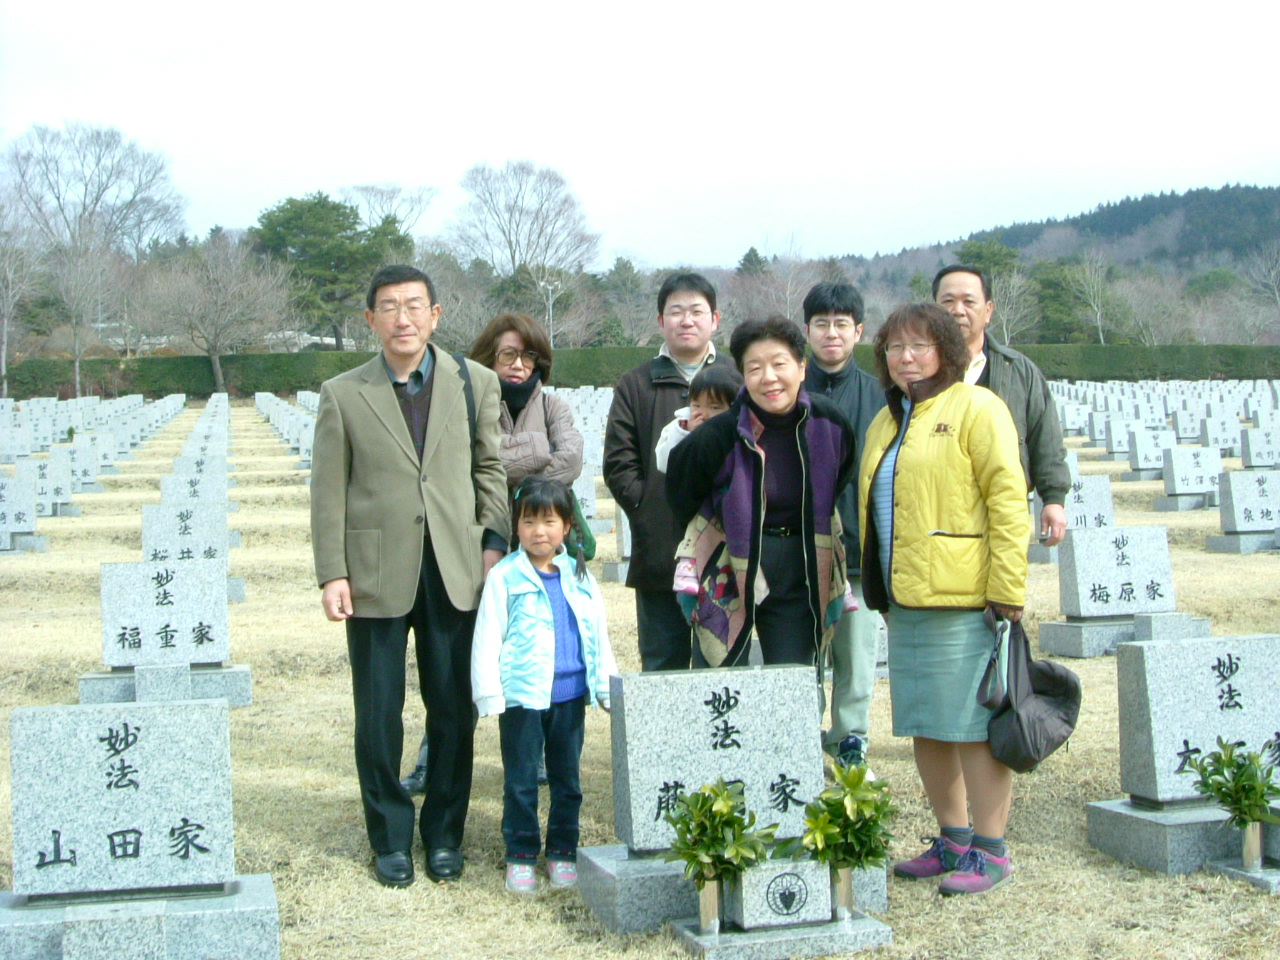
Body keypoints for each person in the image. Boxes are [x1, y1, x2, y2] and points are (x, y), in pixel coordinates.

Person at [311, 264, 508, 888]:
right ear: (370, 319)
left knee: (452, 709)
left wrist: (493, 545)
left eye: (415, 306)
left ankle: (444, 835)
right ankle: (390, 837)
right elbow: (327, 492)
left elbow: (490, 470)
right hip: (373, 570)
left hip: (456, 568)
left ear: (436, 315)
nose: (403, 318)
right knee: (378, 712)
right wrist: (331, 572)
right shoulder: (343, 393)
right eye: (389, 307)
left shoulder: (473, 381)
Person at [858, 302, 1030, 896]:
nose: (906, 357)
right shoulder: (888, 420)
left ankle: (991, 850)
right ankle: (952, 838)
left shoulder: (978, 408)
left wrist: (1007, 591)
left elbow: (1008, 501)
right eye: (895, 348)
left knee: (973, 727)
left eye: (920, 346)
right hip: (905, 599)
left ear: (948, 352)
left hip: (963, 600)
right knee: (927, 725)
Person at [401, 312, 584, 796]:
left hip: (539, 548)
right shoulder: (464, 399)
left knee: (537, 649)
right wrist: (532, 454)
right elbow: (461, 466)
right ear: (489, 356)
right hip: (474, 541)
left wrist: (504, 458)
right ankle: (431, 755)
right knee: (457, 661)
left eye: (528, 355)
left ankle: (537, 754)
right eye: (507, 354)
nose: (518, 364)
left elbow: (570, 462)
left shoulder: (554, 407)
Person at [666, 317, 856, 668]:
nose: (768, 377)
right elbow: (682, 491)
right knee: (720, 674)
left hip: (798, 561)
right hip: (728, 561)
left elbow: (839, 475)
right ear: (743, 375)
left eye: (779, 364)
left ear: (801, 368)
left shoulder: (829, 424)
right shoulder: (717, 435)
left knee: (791, 675)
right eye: (754, 368)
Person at [471, 476, 617, 895]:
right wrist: (489, 693)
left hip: (570, 696)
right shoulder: (505, 576)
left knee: (567, 781)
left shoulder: (578, 574)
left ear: (567, 527)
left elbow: (597, 634)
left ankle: (562, 851)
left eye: (550, 521)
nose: (539, 531)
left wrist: (606, 685)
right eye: (530, 521)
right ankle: (520, 854)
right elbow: (488, 635)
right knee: (520, 781)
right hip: (523, 697)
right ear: (516, 526)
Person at [603, 272, 733, 671]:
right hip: (660, 548)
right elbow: (618, 462)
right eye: (676, 312)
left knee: (722, 661)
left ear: (716, 318)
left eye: (697, 311)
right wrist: (646, 505)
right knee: (662, 662)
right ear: (661, 321)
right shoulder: (636, 383)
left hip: (726, 547)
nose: (686, 320)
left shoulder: (735, 377)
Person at [802, 282, 887, 770]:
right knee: (805, 651)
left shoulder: (880, 395)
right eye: (821, 324)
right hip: (801, 553)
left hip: (857, 550)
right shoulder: (788, 388)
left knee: (856, 654)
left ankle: (850, 737)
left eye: (841, 324)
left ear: (858, 331)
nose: (831, 334)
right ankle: (801, 731)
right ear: (807, 330)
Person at [933, 264, 1070, 547]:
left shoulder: (1018, 370)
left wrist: (1053, 500)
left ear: (989, 310)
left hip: (1002, 511)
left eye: (969, 301)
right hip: (935, 512)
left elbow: (1044, 436)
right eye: (947, 301)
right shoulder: (916, 369)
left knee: (1002, 588)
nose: (958, 310)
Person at [654, 364, 743, 473]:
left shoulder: (740, 428)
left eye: (714, 407)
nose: (703, 414)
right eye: (696, 405)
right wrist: (688, 434)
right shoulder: (680, 426)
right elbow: (664, 464)